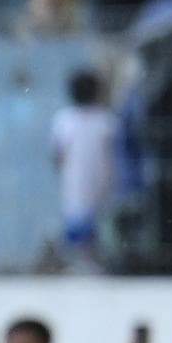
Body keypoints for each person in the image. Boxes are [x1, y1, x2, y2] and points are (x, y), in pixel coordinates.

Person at [50, 70, 121, 272]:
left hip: (76, 178)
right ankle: (88, 260)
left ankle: (85, 260)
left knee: (81, 217)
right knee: (90, 218)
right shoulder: (106, 121)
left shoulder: (64, 120)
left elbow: (58, 155)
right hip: (100, 177)